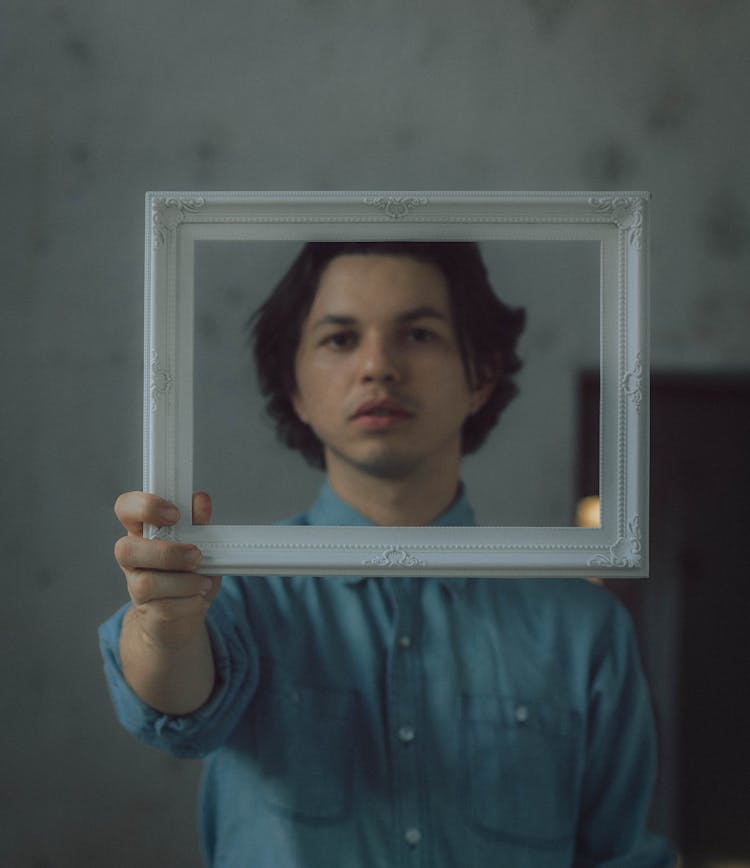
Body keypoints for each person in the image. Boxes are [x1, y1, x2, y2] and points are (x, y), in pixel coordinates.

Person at [100, 242, 674, 867]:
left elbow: (621, 856)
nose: (377, 366)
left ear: (480, 374)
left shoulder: (584, 628)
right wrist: (163, 619)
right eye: (340, 339)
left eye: (419, 334)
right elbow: (174, 705)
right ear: (295, 387)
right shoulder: (235, 589)